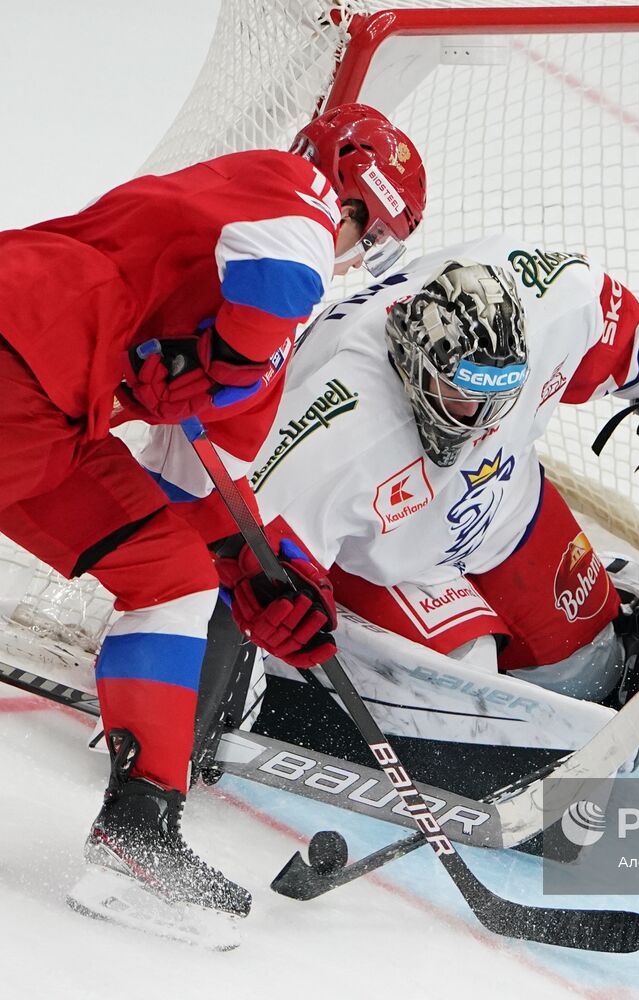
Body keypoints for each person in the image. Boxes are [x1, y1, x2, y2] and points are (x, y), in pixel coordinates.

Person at [150, 233, 639, 801]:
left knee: (592, 668)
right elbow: (217, 543)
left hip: (501, 507)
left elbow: (626, 337)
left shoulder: (557, 298)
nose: (481, 419)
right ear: (412, 362)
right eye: (464, 402)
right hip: (391, 556)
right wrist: (229, 643)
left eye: (499, 399)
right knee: (477, 710)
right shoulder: (332, 423)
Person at [0, 101, 425, 942]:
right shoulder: (281, 187)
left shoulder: (248, 287)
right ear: (352, 203)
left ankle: (138, 837)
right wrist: (221, 360)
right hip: (24, 337)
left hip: (49, 413)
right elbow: (280, 273)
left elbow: (196, 482)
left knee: (174, 577)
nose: (354, 261)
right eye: (370, 239)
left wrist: (260, 566)